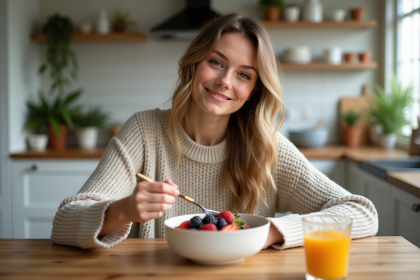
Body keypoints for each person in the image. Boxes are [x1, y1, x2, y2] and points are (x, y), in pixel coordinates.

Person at [51, 13, 378, 250]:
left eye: (244, 75)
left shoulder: (268, 149)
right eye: (217, 62)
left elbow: (361, 213)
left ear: (254, 91)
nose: (225, 81)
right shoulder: (144, 131)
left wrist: (269, 233)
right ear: (194, 63)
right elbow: (64, 223)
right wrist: (123, 210)